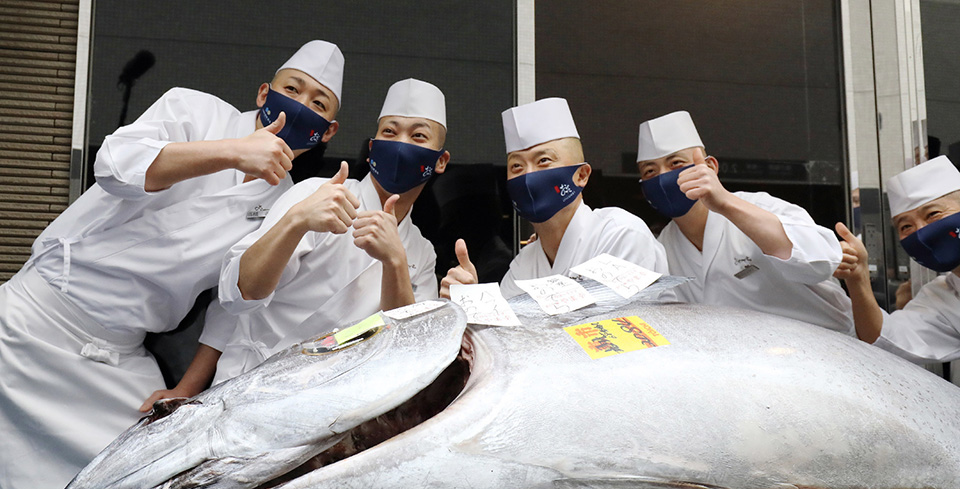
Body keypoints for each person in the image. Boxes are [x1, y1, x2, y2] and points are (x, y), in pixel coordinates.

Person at [0, 40, 344, 489]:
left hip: (117, 360)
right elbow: (114, 165)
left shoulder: (286, 199)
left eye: (319, 101)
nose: (301, 102)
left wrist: (187, 387)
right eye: (292, 88)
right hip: (34, 322)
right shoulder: (194, 111)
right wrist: (235, 152)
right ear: (264, 94)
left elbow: (236, 303)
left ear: (327, 131)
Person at [213, 78, 446, 383]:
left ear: (440, 161)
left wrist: (395, 262)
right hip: (251, 380)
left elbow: (406, 354)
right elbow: (239, 293)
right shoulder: (317, 193)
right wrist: (297, 221)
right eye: (390, 131)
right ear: (372, 148)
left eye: (418, 136)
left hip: (333, 403)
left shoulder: (421, 252)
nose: (401, 144)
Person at [636, 110, 854, 334]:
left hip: (824, 349)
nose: (663, 178)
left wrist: (725, 203)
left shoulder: (762, 206)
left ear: (710, 167)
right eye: (650, 171)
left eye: (675, 163)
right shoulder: (662, 249)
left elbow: (819, 263)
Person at [441, 97, 668, 299]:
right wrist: (470, 301)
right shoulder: (525, 263)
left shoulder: (620, 235)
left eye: (544, 161)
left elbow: (620, 333)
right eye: (517, 166)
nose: (529, 176)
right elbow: (505, 337)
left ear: (581, 175)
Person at [834, 155, 960, 363]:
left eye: (933, 214)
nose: (922, 232)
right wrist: (858, 278)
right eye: (906, 226)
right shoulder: (943, 297)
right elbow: (887, 341)